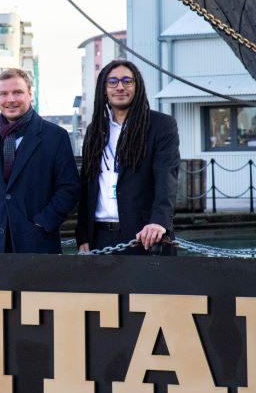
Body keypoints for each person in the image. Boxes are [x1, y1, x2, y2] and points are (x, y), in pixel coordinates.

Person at [0, 68, 78, 254]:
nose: (10, 99)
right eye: (3, 94)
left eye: (17, 92)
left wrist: (43, 222)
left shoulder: (55, 137)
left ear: (30, 94)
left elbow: (69, 188)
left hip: (38, 245)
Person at [76, 60, 180, 255]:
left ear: (137, 86)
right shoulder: (95, 131)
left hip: (147, 235)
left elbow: (167, 177)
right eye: (113, 82)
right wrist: (83, 235)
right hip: (99, 236)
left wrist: (159, 221)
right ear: (104, 89)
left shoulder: (161, 126)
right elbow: (87, 185)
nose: (120, 87)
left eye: (127, 81)